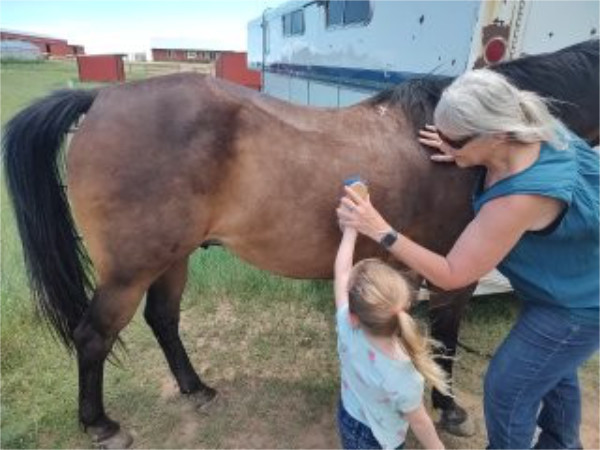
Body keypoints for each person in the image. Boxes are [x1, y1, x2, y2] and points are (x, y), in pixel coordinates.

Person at [337, 68, 599, 449]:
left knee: (508, 388)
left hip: (577, 304)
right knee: (555, 372)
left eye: (454, 138)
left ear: (495, 135)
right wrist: (461, 150)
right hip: (565, 281)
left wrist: (380, 229)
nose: (443, 143)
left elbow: (451, 273)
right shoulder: (526, 130)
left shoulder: (521, 198)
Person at [334, 221, 447, 449]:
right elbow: (420, 422)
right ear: (404, 306)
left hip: (348, 415)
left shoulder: (346, 326)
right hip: (381, 440)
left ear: (355, 316)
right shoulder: (405, 375)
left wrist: (350, 230)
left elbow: (342, 272)